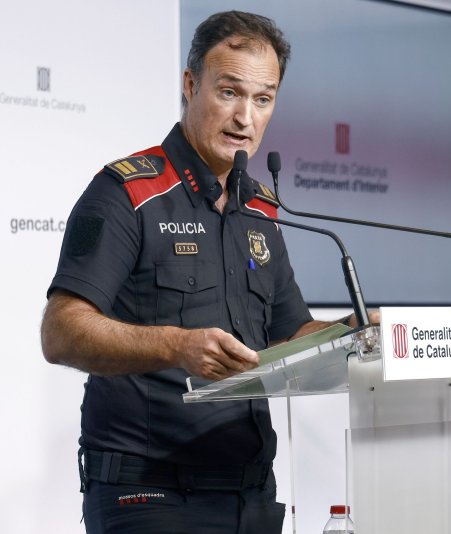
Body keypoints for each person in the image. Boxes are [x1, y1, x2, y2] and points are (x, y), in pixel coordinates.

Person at [40, 11, 373, 534]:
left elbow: (292, 334)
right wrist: (175, 345)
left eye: (263, 100)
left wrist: (354, 334)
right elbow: (60, 332)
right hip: (149, 494)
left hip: (251, 494)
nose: (245, 117)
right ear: (191, 84)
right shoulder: (127, 193)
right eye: (229, 93)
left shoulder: (260, 210)